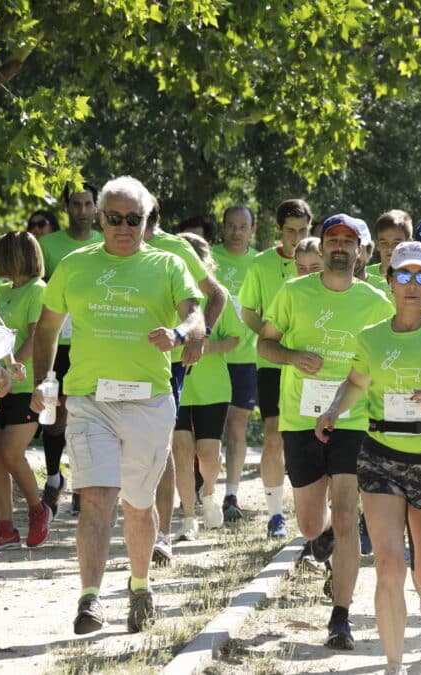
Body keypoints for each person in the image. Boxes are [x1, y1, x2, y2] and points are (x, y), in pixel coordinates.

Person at [31, 175, 205, 635]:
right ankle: (90, 599)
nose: (124, 226)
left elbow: (196, 314)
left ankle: (140, 585)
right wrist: (43, 380)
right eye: (115, 218)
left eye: (135, 218)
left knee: (139, 503)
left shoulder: (167, 265)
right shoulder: (73, 265)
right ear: (99, 217)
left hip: (149, 402)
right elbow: (47, 328)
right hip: (90, 400)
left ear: (147, 221)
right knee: (97, 498)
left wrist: (182, 335)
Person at [316, 241, 421, 675]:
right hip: (381, 457)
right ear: (389, 281)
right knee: (389, 565)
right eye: (404, 276)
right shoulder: (372, 338)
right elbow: (355, 381)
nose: (412, 285)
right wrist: (336, 408)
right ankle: (393, 664)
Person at [260, 214, 393, 649]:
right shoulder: (294, 292)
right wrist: (292, 355)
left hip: (353, 419)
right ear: (321, 247)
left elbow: (390, 355)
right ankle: (325, 541)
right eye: (332, 239)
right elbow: (264, 344)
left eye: (348, 241)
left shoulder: (376, 302)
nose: (339, 246)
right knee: (312, 524)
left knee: (345, 511)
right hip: (301, 419)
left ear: (361, 251)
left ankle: (341, 616)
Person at [239, 198, 313, 538]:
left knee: (312, 437)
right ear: (278, 231)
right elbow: (249, 312)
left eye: (302, 231)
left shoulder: (318, 260)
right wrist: (272, 340)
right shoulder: (261, 264)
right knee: (273, 436)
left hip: (314, 363)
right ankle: (275, 514)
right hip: (272, 362)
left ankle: (311, 512)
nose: (296, 238)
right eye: (290, 231)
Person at [38, 181, 104, 517]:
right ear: (67, 208)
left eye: (87, 205)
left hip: (92, 344)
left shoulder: (106, 244)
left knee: (87, 416)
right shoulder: (48, 246)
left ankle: (82, 483)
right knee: (54, 417)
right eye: (75, 205)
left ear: (96, 207)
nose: (81, 212)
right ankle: (53, 479)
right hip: (56, 345)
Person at [170, 233, 241, 541]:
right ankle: (187, 517)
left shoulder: (217, 297)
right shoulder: (169, 291)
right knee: (181, 451)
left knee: (207, 454)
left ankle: (209, 493)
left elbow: (235, 338)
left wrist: (204, 346)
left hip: (212, 387)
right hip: (174, 382)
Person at [0, 232, 48, 550]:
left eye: (1, 253)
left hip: (27, 387)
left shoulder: (38, 290)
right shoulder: (0, 290)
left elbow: (37, 336)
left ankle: (38, 510)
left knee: (12, 452)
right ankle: (6, 528)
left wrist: (14, 365)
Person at [211, 205, 259, 523]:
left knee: (237, 426)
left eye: (243, 226)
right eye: (231, 225)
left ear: (252, 230)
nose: (236, 231)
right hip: (210, 355)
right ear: (223, 227)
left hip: (247, 357)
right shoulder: (208, 258)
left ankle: (231, 492)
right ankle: (204, 491)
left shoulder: (259, 263)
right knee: (210, 429)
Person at [366, 210, 412, 281]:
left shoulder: (418, 279)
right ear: (377, 245)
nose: (390, 249)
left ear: (409, 243)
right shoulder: (363, 276)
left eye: (396, 243)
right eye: (384, 243)